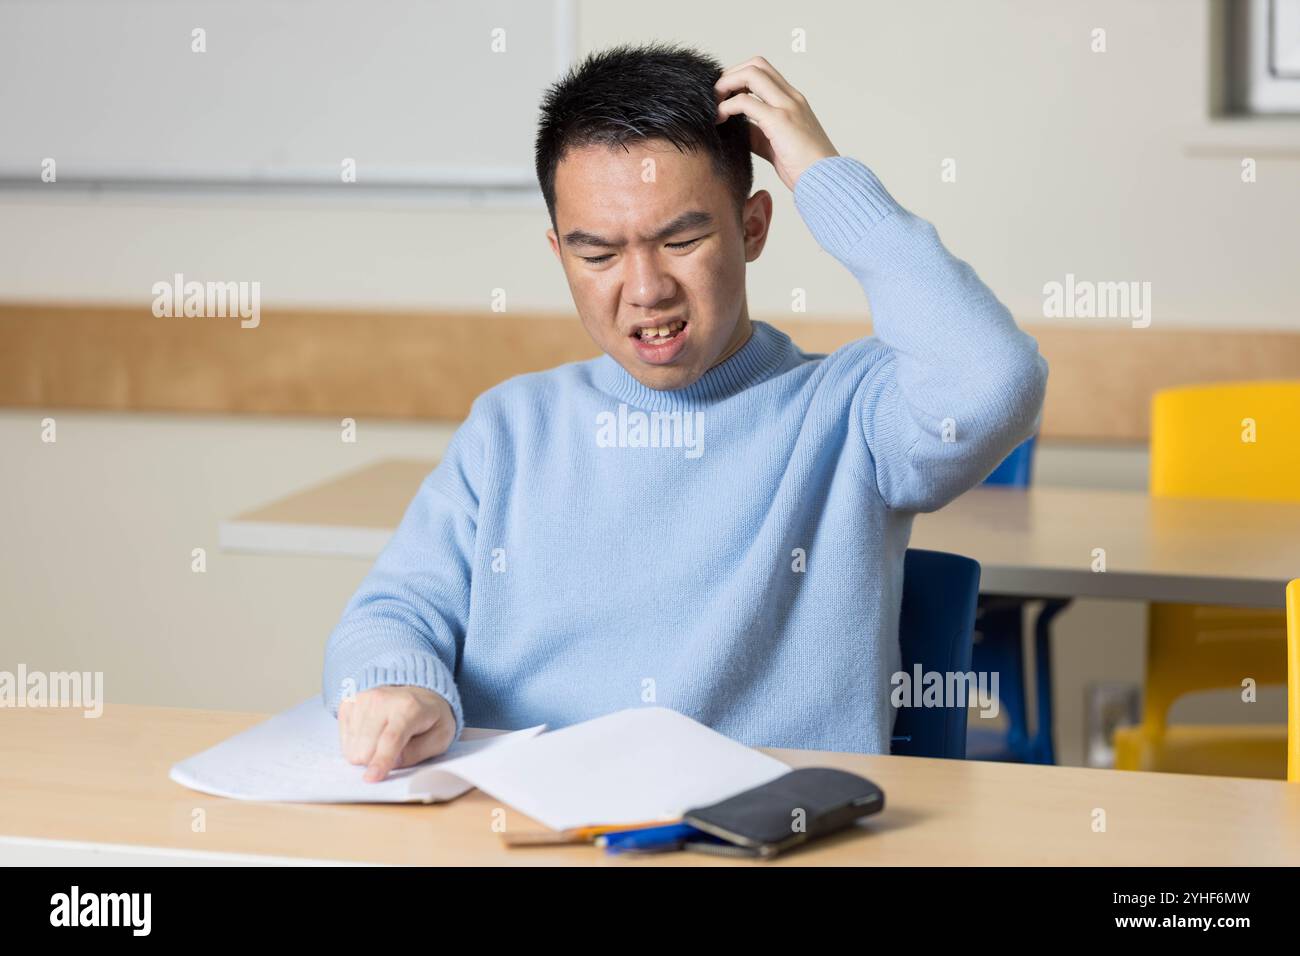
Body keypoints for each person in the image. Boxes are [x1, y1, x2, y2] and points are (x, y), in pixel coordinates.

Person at [324, 43, 1047, 782]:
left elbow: (995, 380)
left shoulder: (851, 413)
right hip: (521, 830)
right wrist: (399, 685)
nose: (644, 289)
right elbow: (394, 610)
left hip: (762, 838)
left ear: (754, 227)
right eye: (598, 255)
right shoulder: (509, 427)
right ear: (559, 253)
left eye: (682, 239)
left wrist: (827, 181)